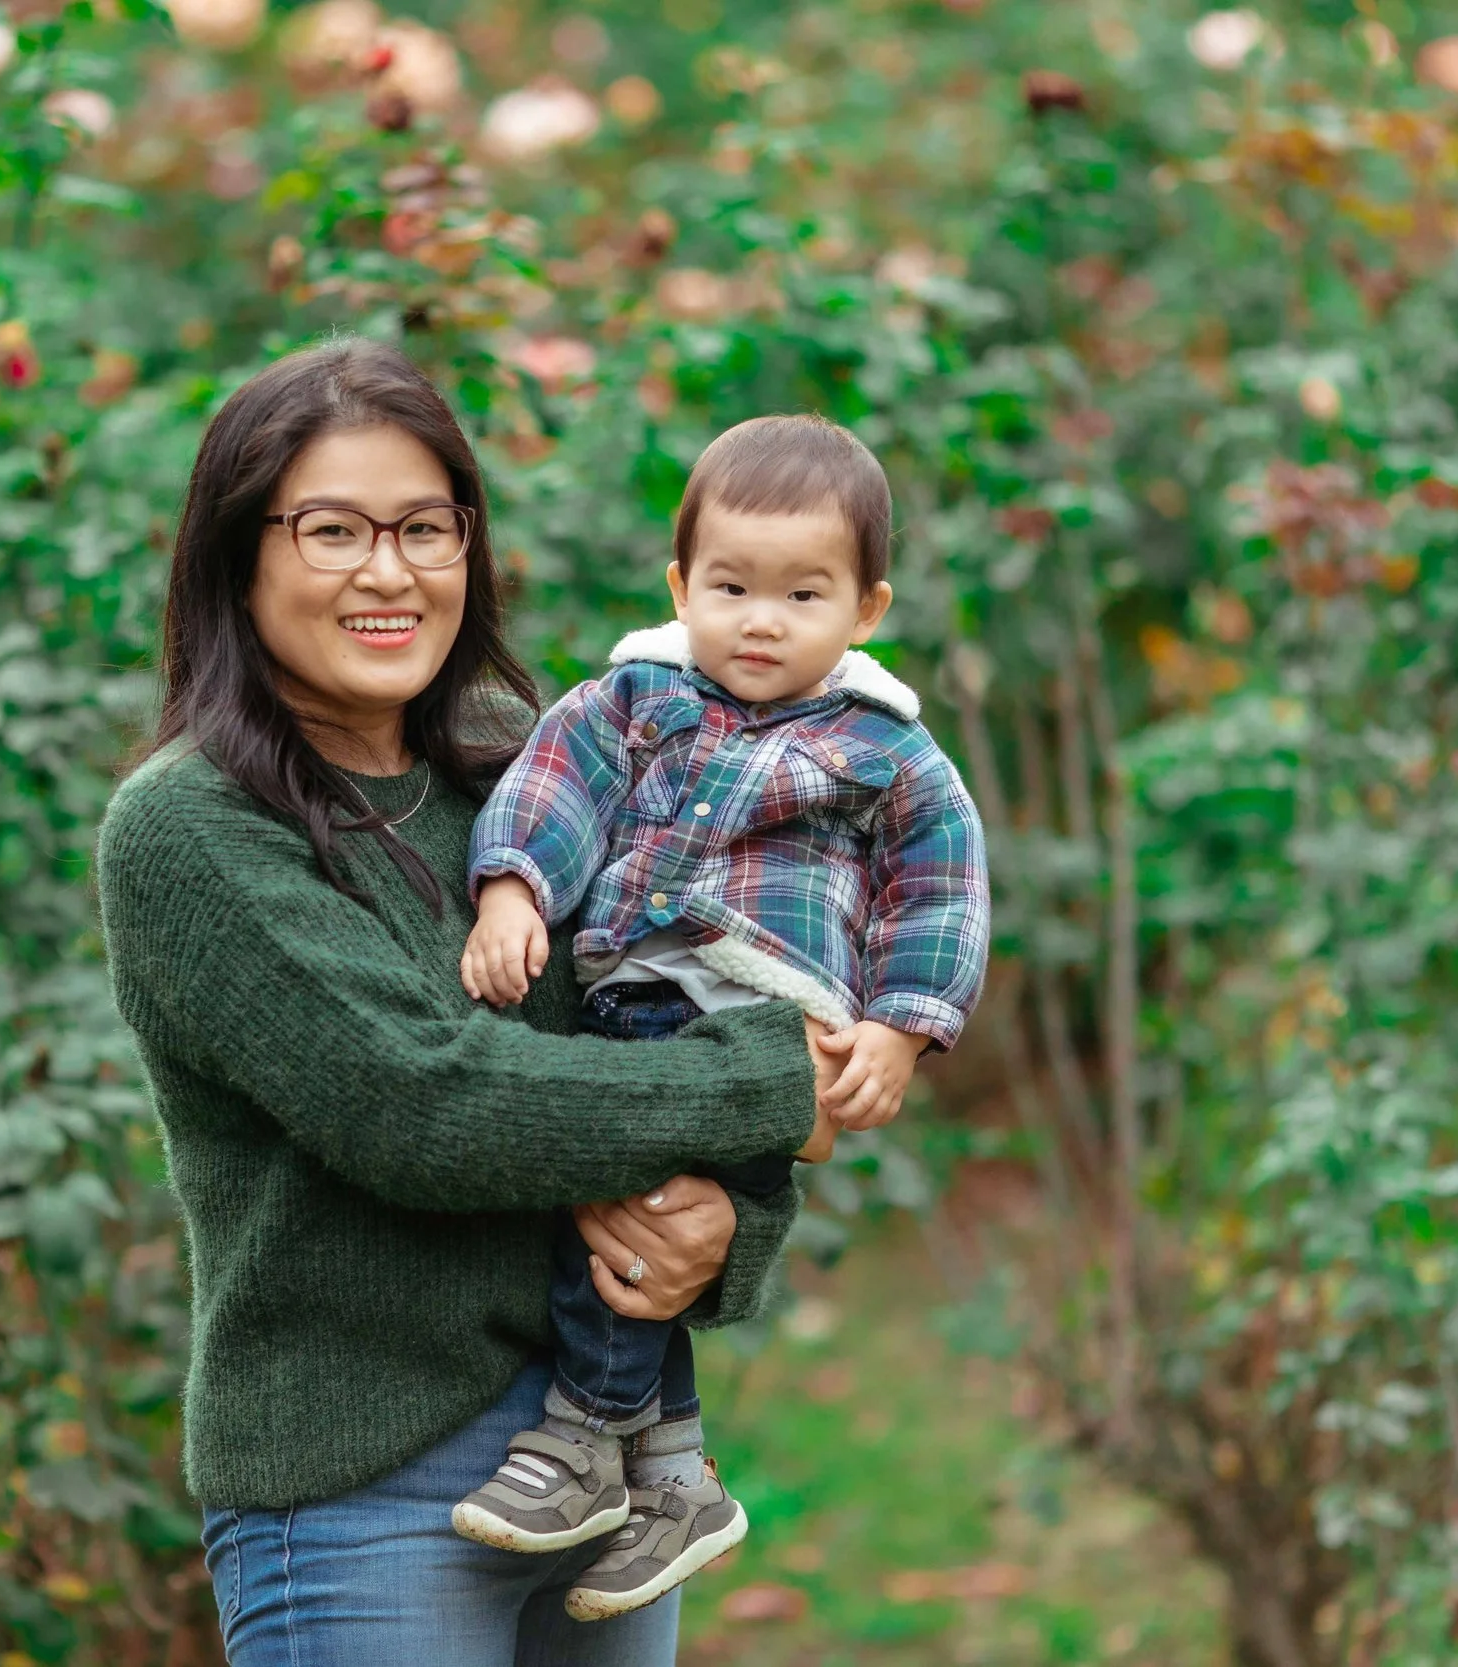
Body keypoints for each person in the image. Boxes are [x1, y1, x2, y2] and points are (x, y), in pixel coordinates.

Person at [95, 339, 840, 1665]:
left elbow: (663, 1016)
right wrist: (779, 1082)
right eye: (332, 529)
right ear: (238, 554)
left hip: (603, 1460)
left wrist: (732, 1220)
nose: (390, 571)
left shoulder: (538, 771)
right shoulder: (191, 827)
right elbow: (425, 1101)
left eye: (425, 526)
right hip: (361, 1497)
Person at [453, 414, 991, 1620]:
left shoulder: (885, 750)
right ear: (680, 583)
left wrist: (902, 1025)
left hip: (769, 1009)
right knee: (627, 1221)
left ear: (865, 608)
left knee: (613, 1207)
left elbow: (942, 886)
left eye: (804, 594)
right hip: (638, 994)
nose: (761, 619)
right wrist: (509, 887)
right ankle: (674, 1473)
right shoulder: (634, 694)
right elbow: (554, 782)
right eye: (731, 586)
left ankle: (587, 1433)